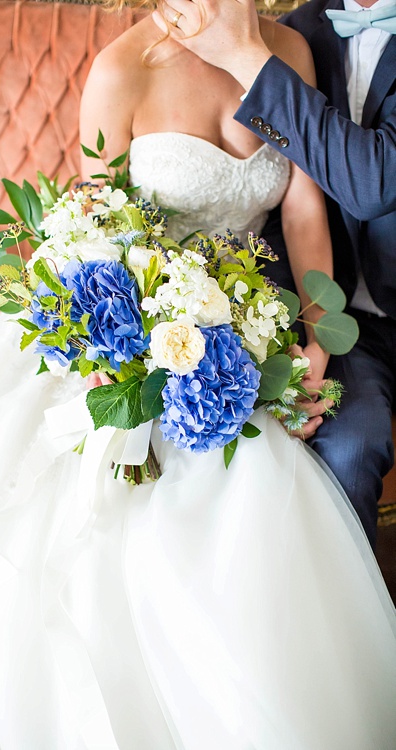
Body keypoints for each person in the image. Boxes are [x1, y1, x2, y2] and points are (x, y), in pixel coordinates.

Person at [0, 1, 395, 747]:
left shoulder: (290, 48)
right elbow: (98, 242)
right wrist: (141, 357)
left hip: (252, 331)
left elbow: (301, 216)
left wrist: (313, 346)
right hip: (134, 334)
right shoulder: (120, 71)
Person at [155, 0, 396, 550]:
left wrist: (245, 56)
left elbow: (372, 183)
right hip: (340, 315)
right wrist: (316, 337)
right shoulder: (297, 34)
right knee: (346, 450)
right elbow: (298, 203)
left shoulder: (257, 50)